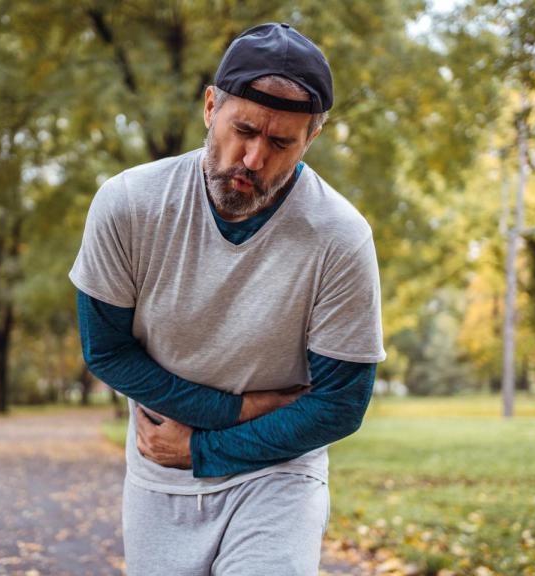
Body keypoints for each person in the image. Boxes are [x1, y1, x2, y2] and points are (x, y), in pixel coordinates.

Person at [70, 22, 385, 575]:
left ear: (311, 139)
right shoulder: (128, 204)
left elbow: (338, 403)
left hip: (279, 470)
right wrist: (237, 409)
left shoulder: (339, 237)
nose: (254, 158)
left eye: (281, 142)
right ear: (211, 106)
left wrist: (204, 448)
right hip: (159, 468)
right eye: (243, 130)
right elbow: (107, 352)